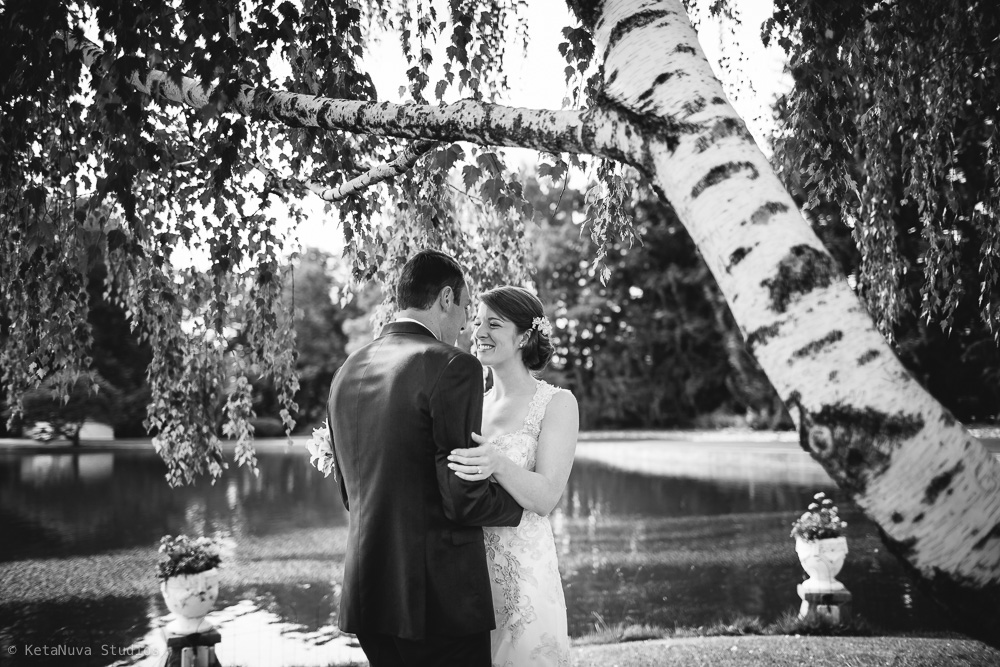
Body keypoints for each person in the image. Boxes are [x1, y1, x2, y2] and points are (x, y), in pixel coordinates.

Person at [326, 250, 524, 667]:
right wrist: (523, 505)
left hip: (368, 596)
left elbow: (349, 491)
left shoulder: (349, 368)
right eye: (468, 307)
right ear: (446, 298)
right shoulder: (452, 365)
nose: (468, 322)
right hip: (436, 602)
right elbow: (463, 496)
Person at [447, 285, 579, 667]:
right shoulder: (472, 406)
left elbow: (546, 497)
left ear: (524, 336)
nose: (479, 332)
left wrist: (498, 464)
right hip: (472, 579)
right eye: (476, 322)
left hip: (526, 577)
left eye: (494, 324)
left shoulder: (556, 403)